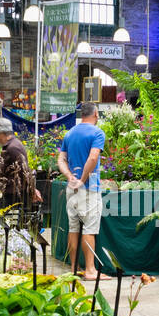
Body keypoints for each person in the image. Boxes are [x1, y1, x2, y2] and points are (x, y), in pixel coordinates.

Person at [58, 102, 108, 280]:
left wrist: (70, 176)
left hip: (71, 188)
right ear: (95, 113)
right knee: (89, 228)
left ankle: (73, 268)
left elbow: (61, 159)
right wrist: (82, 180)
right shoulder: (97, 133)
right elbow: (93, 157)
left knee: (73, 227)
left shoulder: (70, 133)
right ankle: (90, 270)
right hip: (89, 188)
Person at [0, 116, 41, 210]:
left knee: (7, 222)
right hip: (12, 194)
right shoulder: (11, 145)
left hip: (14, 196)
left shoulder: (13, 147)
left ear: (1, 133)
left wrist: (32, 190)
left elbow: (24, 171)